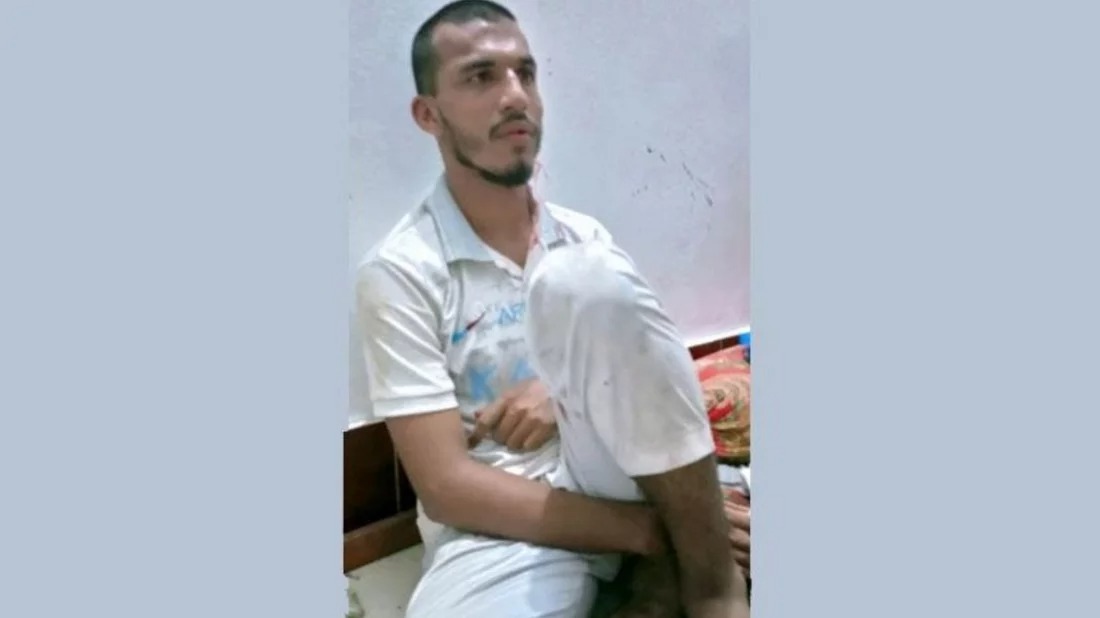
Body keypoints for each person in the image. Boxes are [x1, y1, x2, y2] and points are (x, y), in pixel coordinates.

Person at [354, 2, 749, 616]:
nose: (516, 96)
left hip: (617, 470)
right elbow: (449, 487)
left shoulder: (583, 240)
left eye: (527, 73)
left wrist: (560, 390)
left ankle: (711, 590)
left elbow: (651, 381)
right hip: (504, 522)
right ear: (428, 115)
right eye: (481, 76)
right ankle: (658, 567)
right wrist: (656, 529)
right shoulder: (401, 270)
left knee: (585, 276)